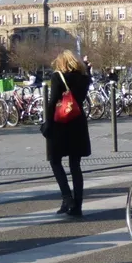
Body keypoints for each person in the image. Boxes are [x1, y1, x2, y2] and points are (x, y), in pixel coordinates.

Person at [43, 50, 91, 216]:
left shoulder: (58, 77)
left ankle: (66, 196)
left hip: (60, 123)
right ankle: (77, 205)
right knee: (75, 165)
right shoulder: (84, 78)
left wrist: (47, 124)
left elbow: (52, 102)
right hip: (77, 122)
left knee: (55, 161)